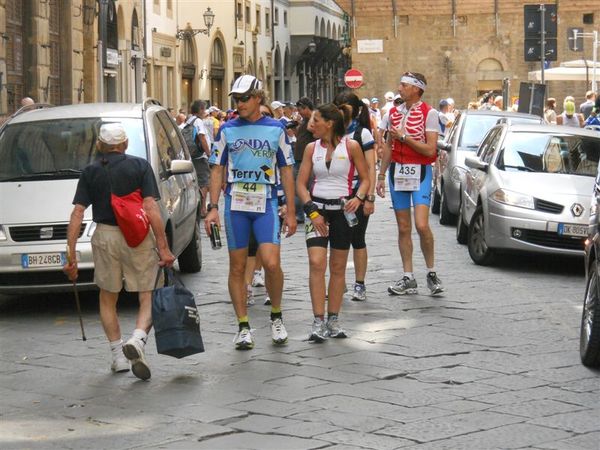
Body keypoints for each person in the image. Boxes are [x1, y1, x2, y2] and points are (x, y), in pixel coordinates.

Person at [63, 123, 175, 380]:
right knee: (147, 292)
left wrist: (70, 255)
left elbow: (77, 213)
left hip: (105, 236)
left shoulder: (90, 171)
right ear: (124, 144)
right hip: (137, 235)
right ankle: (138, 339)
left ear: (100, 146)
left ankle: (117, 355)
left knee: (107, 297)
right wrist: (164, 247)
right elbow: (150, 207)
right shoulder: (139, 166)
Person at [205, 75, 297, 350]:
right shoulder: (226, 130)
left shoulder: (276, 129)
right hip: (236, 205)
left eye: (245, 98)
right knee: (237, 267)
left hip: (265, 203)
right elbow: (217, 169)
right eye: (236, 99)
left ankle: (277, 316)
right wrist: (212, 208)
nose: (239, 103)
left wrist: (291, 211)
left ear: (259, 98)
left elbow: (287, 171)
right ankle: (243, 325)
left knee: (270, 263)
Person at [296, 103, 370, 342]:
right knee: (316, 263)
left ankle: (333, 319)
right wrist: (312, 211)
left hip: (343, 211)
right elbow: (301, 184)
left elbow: (366, 178)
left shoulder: (352, 146)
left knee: (337, 267)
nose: (310, 125)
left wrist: (359, 198)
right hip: (317, 210)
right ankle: (318, 321)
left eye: (315, 121)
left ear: (329, 123)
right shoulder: (310, 148)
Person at [376, 71, 444, 296]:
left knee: (422, 225)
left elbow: (430, 149)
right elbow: (388, 147)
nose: (399, 88)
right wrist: (381, 175)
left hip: (420, 171)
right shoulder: (393, 113)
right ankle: (408, 276)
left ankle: (431, 272)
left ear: (417, 89)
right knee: (403, 227)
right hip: (397, 172)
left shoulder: (430, 113)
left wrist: (405, 138)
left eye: (404, 85)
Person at [333, 92, 376, 302]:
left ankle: (360, 283)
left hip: (357, 191)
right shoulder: (332, 133)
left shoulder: (362, 134)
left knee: (357, 239)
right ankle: (338, 283)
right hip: (335, 192)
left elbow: (370, 167)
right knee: (337, 240)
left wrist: (369, 197)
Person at [185, 100, 211, 216]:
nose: (205, 111)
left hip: (192, 155)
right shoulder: (198, 121)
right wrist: (209, 153)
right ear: (200, 109)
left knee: (195, 182)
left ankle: (196, 207)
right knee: (204, 182)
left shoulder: (188, 120)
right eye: (204, 109)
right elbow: (202, 137)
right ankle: (202, 209)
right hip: (200, 156)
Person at [294, 97, 316, 223]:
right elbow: (301, 136)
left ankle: (313, 212)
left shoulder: (313, 119)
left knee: (310, 186)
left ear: (307, 108)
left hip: (307, 160)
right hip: (298, 158)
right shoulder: (304, 121)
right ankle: (300, 214)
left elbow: (313, 130)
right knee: (298, 187)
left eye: (301, 110)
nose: (299, 113)